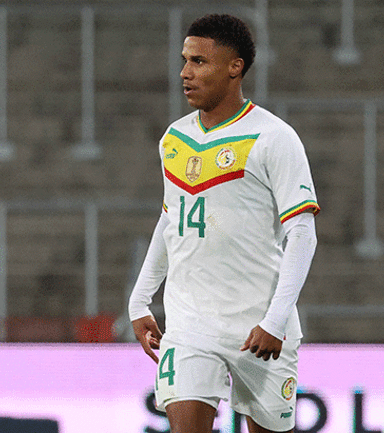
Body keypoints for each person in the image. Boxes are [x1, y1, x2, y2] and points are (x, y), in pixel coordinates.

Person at [129, 14, 319, 433]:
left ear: (235, 67)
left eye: (198, 61)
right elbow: (172, 220)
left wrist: (275, 320)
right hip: (190, 324)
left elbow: (303, 233)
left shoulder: (274, 137)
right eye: (184, 60)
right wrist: (140, 300)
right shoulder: (173, 139)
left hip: (260, 326)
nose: (185, 72)